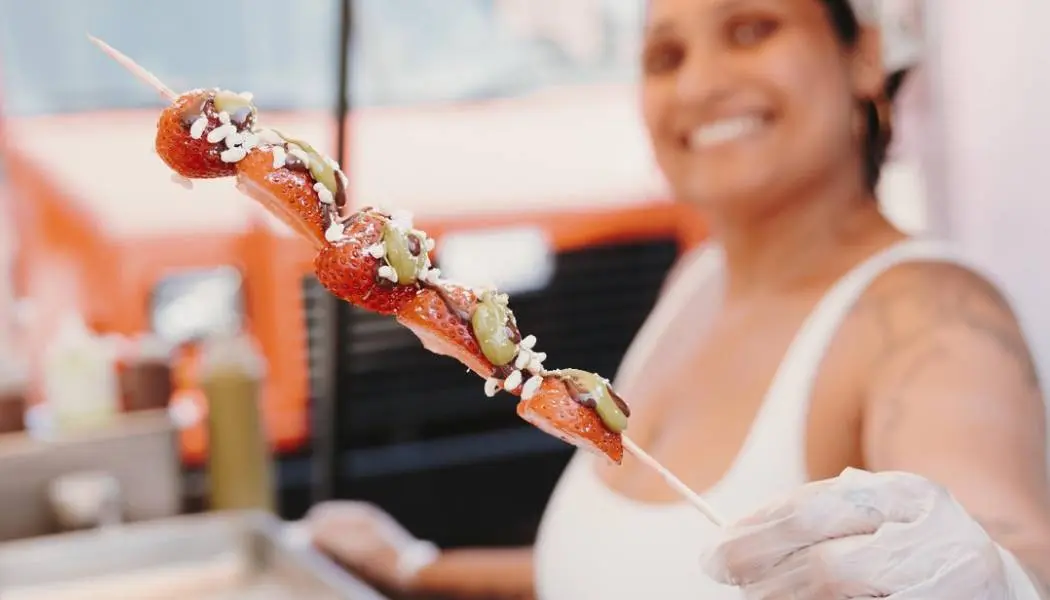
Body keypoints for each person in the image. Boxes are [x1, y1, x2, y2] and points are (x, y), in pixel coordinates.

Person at [304, 0, 1050, 598]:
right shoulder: (697, 279)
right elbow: (632, 574)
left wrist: (997, 579)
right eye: (666, 56)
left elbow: (1010, 543)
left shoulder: (930, 315)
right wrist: (415, 569)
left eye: (751, 29)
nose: (699, 85)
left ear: (863, 55)